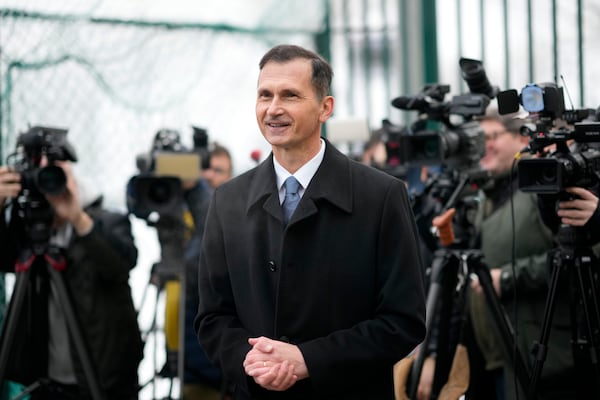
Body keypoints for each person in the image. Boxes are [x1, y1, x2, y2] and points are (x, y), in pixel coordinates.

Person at [194, 44, 426, 399]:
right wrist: (252, 362)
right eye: (265, 95)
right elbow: (212, 317)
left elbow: (403, 321)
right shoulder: (227, 201)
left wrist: (308, 359)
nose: (274, 108)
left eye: (290, 95)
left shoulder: (380, 197)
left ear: (325, 107)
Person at [417, 107, 579, 400]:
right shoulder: (486, 198)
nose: (483, 145)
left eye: (492, 136)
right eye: (479, 138)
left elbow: (576, 258)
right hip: (496, 361)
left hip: (545, 362)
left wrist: (505, 278)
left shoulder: (545, 192)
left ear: (522, 139)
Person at [0, 154, 143, 399]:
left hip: (104, 378)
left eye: (55, 173)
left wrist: (78, 218)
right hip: (47, 378)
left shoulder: (107, 221)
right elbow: (3, 260)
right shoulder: (26, 229)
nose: (47, 182)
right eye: (39, 175)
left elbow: (120, 265)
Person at [182, 143, 233, 400]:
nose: (209, 176)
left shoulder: (235, 213)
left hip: (219, 359)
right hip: (185, 342)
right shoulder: (181, 212)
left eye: (218, 170)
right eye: (203, 170)